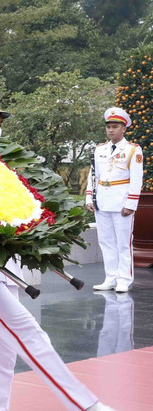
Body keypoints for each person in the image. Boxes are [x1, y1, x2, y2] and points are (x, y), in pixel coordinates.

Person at [0, 90, 146, 411]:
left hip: (6, 270)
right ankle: (86, 408)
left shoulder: (0, 162)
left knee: (3, 354)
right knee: (30, 332)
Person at [86, 107, 143, 293]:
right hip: (102, 200)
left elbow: (137, 179)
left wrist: (131, 204)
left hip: (121, 201)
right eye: (108, 127)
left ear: (124, 128)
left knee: (123, 243)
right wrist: (89, 197)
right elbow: (93, 175)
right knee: (106, 242)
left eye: (115, 126)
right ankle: (110, 277)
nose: (111, 130)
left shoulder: (133, 150)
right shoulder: (99, 149)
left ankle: (124, 279)